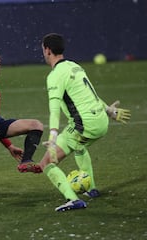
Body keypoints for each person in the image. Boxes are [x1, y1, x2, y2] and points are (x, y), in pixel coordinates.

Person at [19, 33, 131, 212]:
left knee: (46, 163)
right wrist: (110, 111)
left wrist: (53, 136)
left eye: (43, 50)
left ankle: (73, 200)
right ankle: (92, 189)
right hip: (102, 121)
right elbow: (90, 95)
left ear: (47, 50)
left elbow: (54, 109)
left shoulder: (55, 76)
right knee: (79, 147)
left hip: (85, 126)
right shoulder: (75, 66)